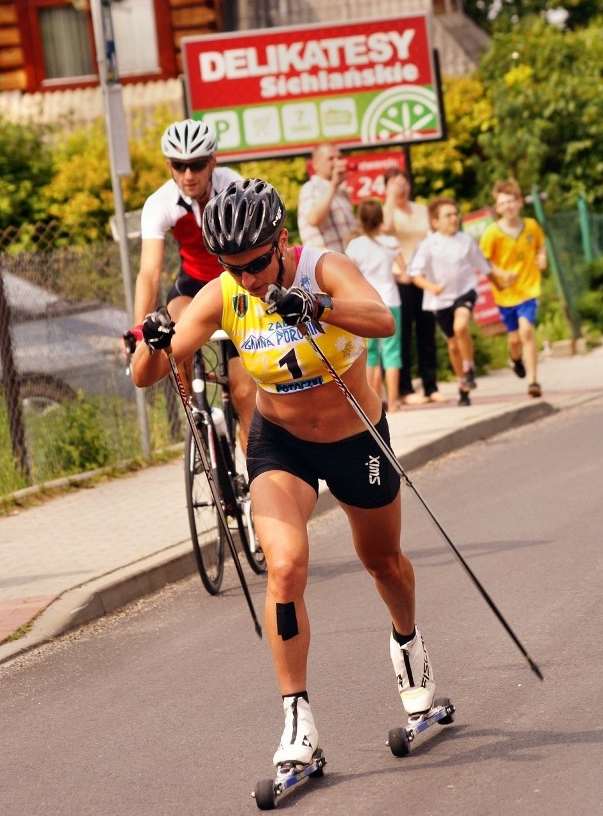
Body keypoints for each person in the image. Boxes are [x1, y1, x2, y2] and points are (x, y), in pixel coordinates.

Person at [131, 178, 437, 770]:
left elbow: (381, 319)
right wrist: (154, 339)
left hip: (355, 440)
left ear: (282, 241)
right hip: (282, 447)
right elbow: (150, 372)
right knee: (286, 566)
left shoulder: (324, 268)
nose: (248, 279)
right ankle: (297, 717)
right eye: (233, 268)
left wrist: (319, 306)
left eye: (256, 265)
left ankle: (407, 642)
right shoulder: (225, 293)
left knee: (383, 561)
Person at [122, 117, 256, 449]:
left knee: (244, 393)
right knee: (172, 338)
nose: (188, 175)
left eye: (196, 165)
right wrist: (140, 329)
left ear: (212, 161)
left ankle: (256, 480)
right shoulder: (160, 202)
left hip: (234, 287)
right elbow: (149, 272)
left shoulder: (234, 188)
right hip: (193, 286)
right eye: (179, 166)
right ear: (169, 165)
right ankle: (200, 412)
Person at [407, 196, 512, 406]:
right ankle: (463, 382)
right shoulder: (428, 245)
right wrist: (432, 287)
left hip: (465, 292)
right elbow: (414, 274)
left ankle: (470, 367)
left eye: (456, 214)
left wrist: (500, 286)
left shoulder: (466, 241)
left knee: (461, 325)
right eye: (448, 215)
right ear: (435, 221)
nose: (454, 218)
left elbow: (484, 267)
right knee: (453, 344)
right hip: (441, 300)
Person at [382, 167, 445, 405]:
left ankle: (431, 385)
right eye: (395, 183)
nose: (402, 187)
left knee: (427, 332)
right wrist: (390, 197)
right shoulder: (385, 211)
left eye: (404, 182)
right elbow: (386, 230)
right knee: (403, 334)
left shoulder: (421, 209)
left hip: (424, 277)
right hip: (401, 279)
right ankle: (406, 389)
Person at [479, 178, 547, 398]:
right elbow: (484, 261)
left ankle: (533, 382)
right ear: (497, 208)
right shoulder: (492, 233)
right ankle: (515, 358)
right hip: (505, 294)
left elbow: (540, 245)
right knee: (515, 339)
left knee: (527, 331)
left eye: (511, 201)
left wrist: (542, 257)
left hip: (529, 289)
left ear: (519, 202)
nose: (508, 206)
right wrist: (501, 273)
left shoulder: (531, 226)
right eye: (503, 203)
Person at [345, 199, 404, 413]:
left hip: (366, 302)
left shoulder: (354, 246)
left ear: (360, 220)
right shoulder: (391, 243)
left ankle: (374, 400)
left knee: (370, 354)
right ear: (381, 218)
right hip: (391, 299)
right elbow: (403, 272)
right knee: (392, 352)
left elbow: (350, 274)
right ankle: (395, 402)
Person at [297, 142, 357, 252]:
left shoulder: (341, 192)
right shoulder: (311, 187)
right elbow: (314, 219)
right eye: (331, 158)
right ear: (315, 164)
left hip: (348, 262)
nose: (337, 162)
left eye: (339, 158)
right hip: (327, 264)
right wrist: (334, 185)